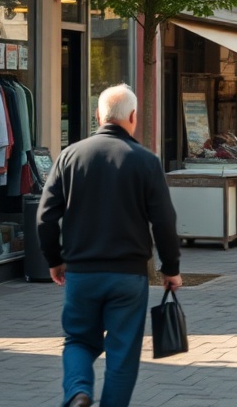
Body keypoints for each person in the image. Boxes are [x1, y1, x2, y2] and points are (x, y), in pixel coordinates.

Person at [37, 84, 181, 407]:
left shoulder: (70, 156)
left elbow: (45, 216)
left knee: (77, 339)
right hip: (128, 278)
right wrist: (170, 268)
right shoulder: (147, 162)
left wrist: (54, 259)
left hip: (81, 274)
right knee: (123, 353)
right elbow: (164, 222)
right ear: (132, 117)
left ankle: (77, 392)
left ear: (98, 115)